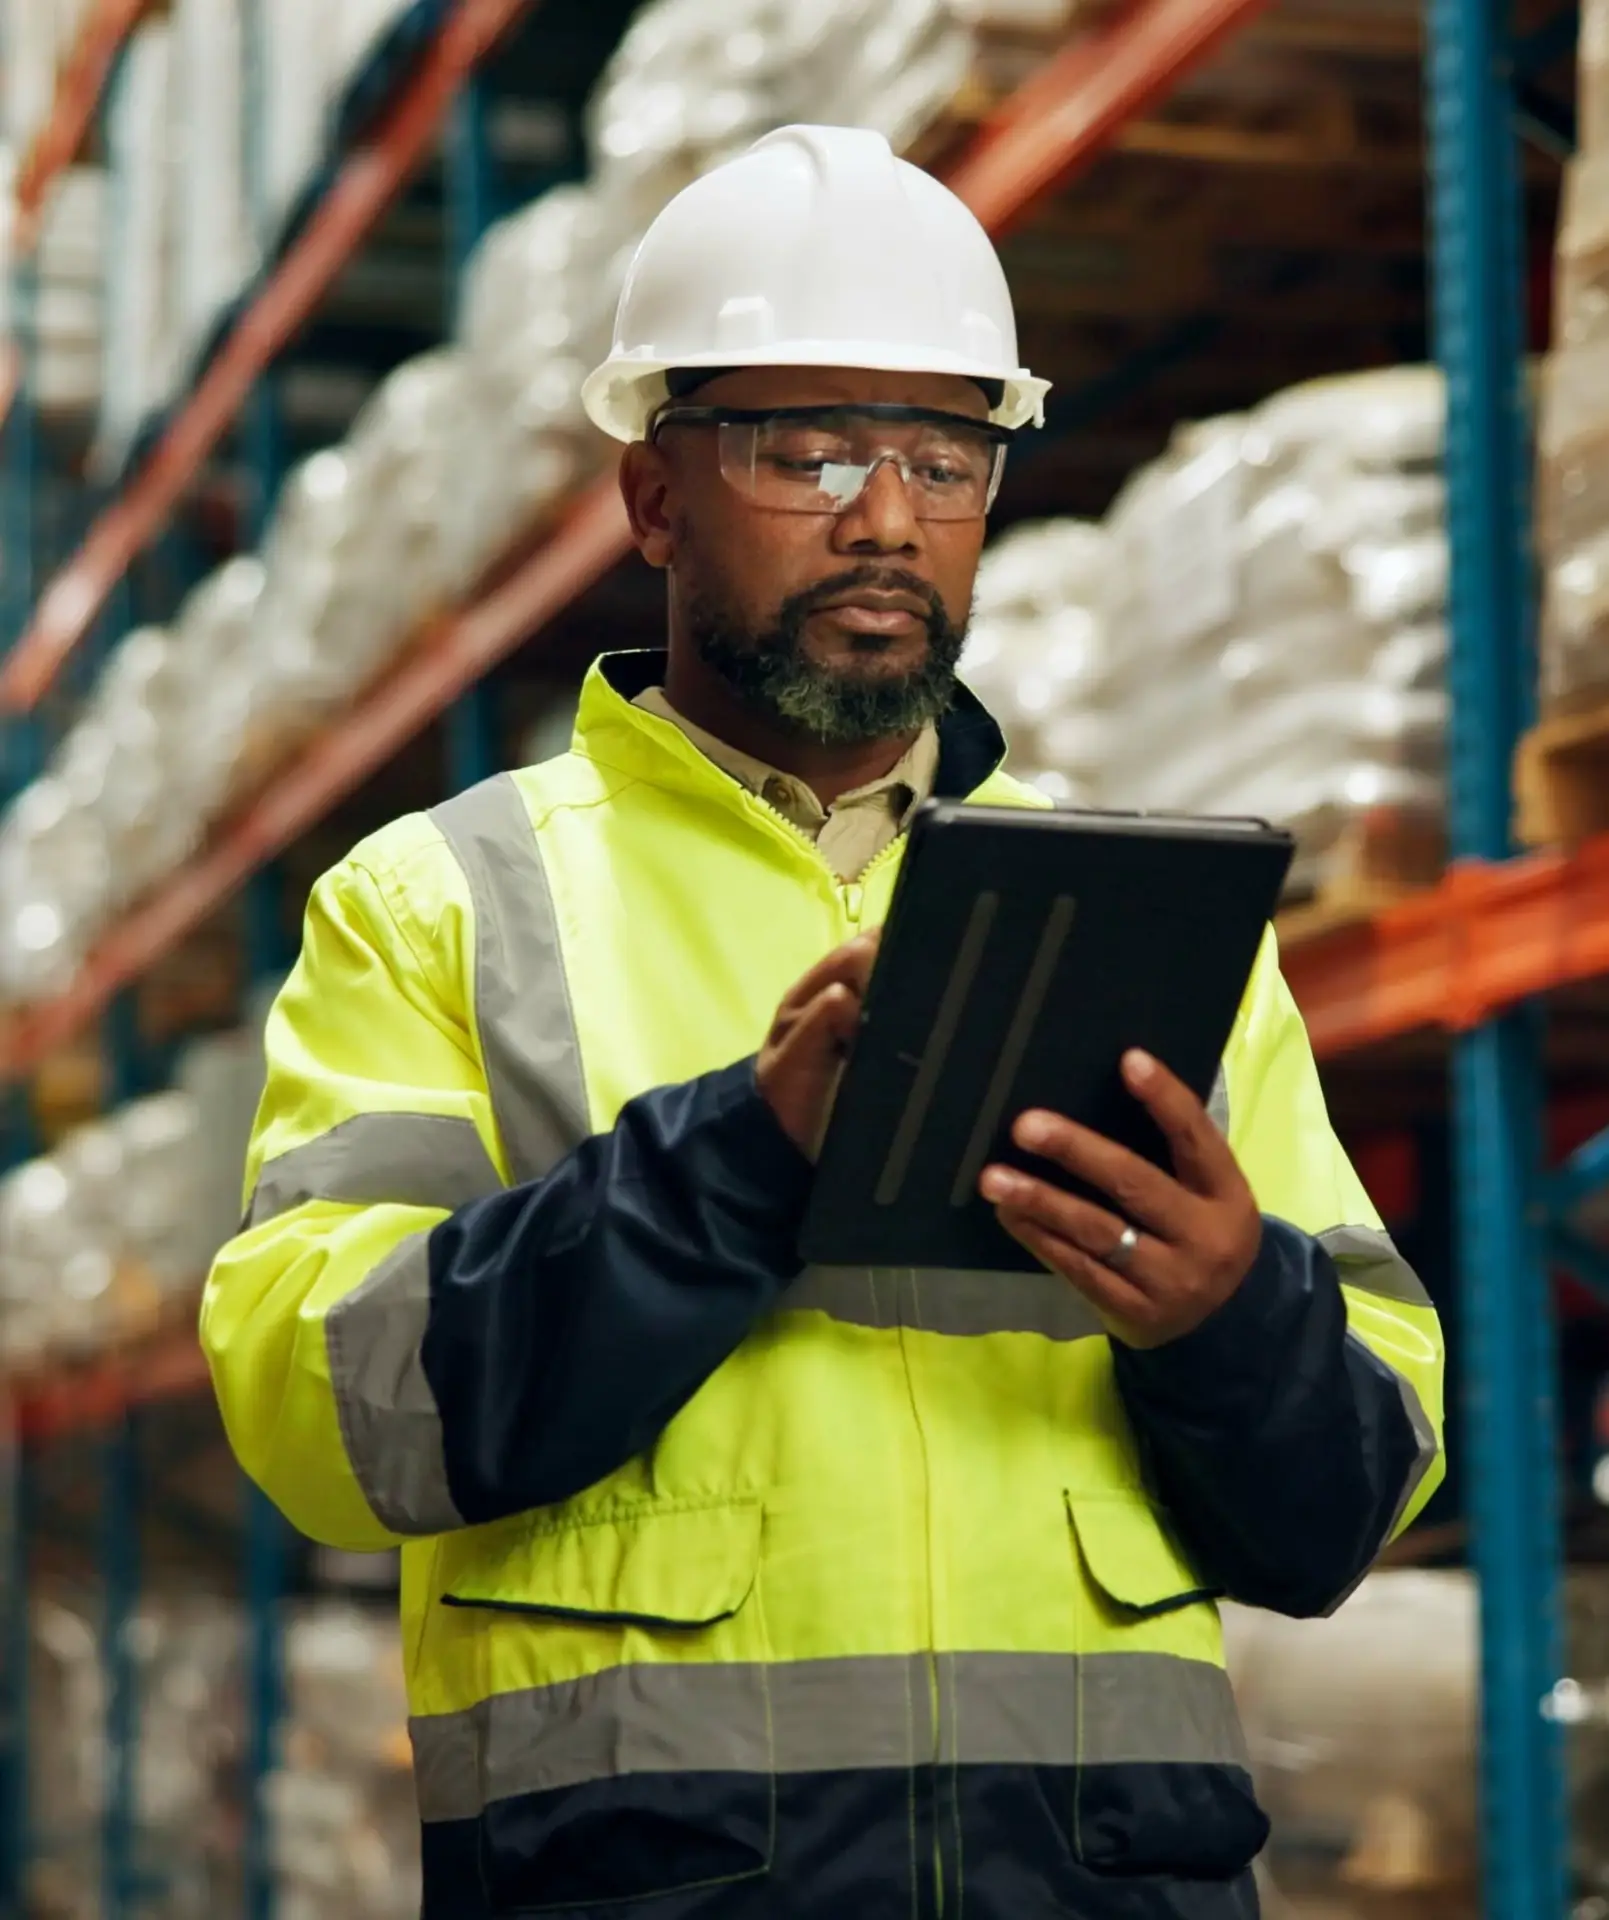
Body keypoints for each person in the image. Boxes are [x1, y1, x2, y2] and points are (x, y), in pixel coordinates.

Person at [203, 125, 1445, 1920]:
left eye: (947, 455)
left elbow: (1359, 1483)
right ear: (651, 497)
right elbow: (325, 1415)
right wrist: (733, 1159)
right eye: (810, 450)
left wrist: (1226, 1315)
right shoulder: (446, 904)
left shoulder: (1155, 926)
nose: (887, 516)